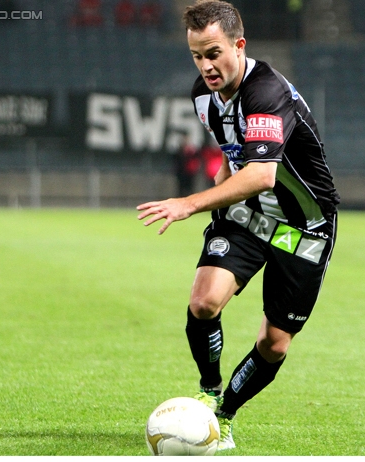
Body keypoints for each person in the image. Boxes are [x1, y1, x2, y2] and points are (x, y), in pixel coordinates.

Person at [137, 0, 340, 451]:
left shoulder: (267, 92)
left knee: (274, 342)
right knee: (204, 301)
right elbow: (237, 157)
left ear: (239, 45)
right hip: (249, 214)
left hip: (302, 227)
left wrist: (190, 203)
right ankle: (208, 394)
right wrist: (220, 182)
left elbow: (263, 174)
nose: (206, 66)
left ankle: (224, 417)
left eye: (213, 53)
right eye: (196, 55)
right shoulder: (202, 96)